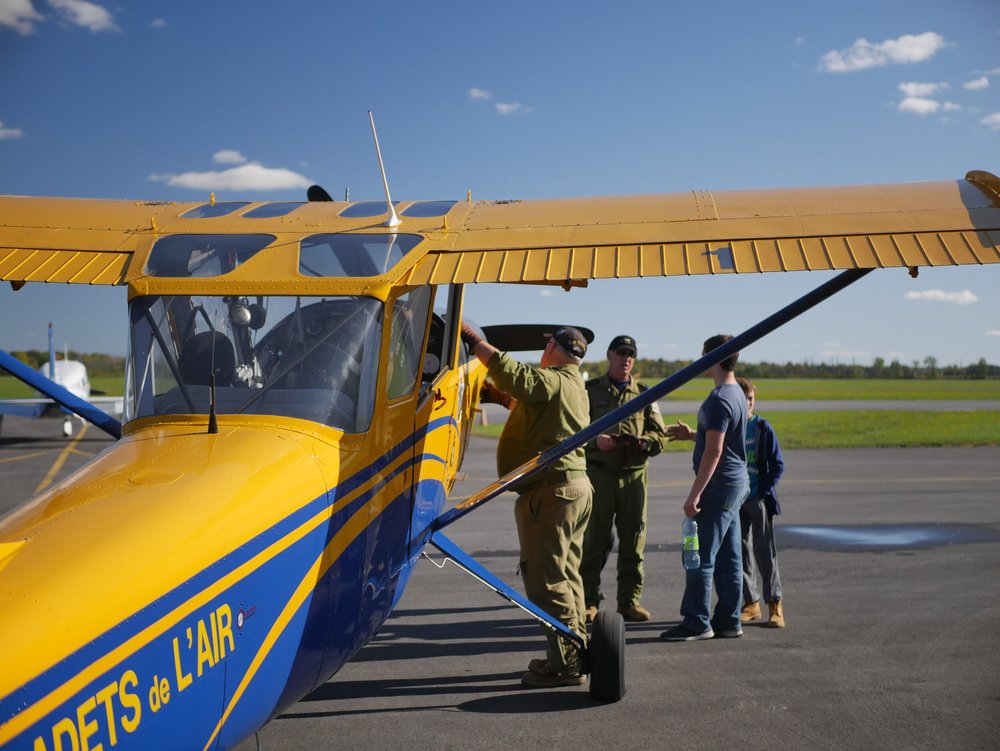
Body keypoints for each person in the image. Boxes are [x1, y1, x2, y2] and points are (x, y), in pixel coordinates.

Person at [462, 322, 593, 688]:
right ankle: (573, 651)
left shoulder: (553, 378)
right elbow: (536, 403)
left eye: (547, 344)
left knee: (546, 582)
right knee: (567, 577)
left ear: (553, 348)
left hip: (552, 492)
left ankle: (566, 665)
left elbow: (520, 376)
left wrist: (476, 343)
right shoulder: (574, 385)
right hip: (573, 488)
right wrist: (502, 398)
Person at [661, 334, 749, 641]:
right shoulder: (736, 392)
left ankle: (697, 621)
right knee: (729, 555)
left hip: (719, 486)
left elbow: (715, 452)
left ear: (714, 358)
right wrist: (691, 436)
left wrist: (694, 495)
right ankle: (729, 619)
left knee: (700, 556)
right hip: (736, 484)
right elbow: (722, 440)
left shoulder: (719, 400)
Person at [581, 335, 668, 623]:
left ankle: (629, 602)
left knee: (634, 541)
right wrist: (597, 442)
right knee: (594, 542)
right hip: (599, 476)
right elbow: (573, 433)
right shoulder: (589, 391)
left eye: (631, 354)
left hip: (633, 478)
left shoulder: (645, 395)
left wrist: (644, 443)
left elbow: (660, 436)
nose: (626, 358)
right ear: (609, 355)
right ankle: (588, 602)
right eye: (621, 353)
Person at [736, 376, 786, 628]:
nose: (748, 405)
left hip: (758, 500)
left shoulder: (763, 428)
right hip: (736, 501)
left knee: (765, 552)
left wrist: (762, 490)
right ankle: (751, 603)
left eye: (751, 400)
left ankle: (775, 604)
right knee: (741, 551)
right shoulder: (730, 428)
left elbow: (778, 465)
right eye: (743, 400)